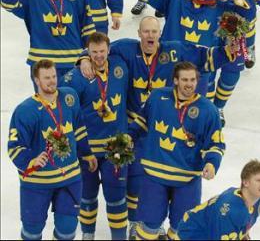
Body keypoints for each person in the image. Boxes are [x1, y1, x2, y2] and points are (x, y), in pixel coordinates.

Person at [77, 16, 236, 238]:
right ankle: (138, 223)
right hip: (137, 127)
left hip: (164, 125)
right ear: (139, 34)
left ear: (159, 34)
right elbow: (99, 51)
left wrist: (230, 48)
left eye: (154, 31)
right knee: (135, 180)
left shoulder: (175, 51)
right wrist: (84, 58)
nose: (150, 35)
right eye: (146, 32)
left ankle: (147, 224)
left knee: (149, 182)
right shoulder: (125, 48)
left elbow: (206, 57)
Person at [128, 61, 225, 240]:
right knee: (149, 226)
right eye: (185, 79)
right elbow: (141, 122)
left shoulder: (208, 110)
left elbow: (216, 144)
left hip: (187, 177)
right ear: (175, 80)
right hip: (154, 174)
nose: (189, 84)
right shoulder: (157, 97)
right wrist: (128, 137)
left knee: (182, 228)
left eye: (192, 80)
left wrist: (212, 164)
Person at [8, 59, 98, 241]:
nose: (52, 81)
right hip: (37, 182)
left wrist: (87, 153)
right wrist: (30, 161)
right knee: (32, 232)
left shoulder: (69, 98)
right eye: (46, 78)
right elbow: (14, 147)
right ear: (36, 80)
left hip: (69, 177)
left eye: (54, 76)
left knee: (67, 229)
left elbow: (79, 129)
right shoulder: (25, 110)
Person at [60, 33, 129, 241]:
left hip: (116, 147)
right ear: (88, 52)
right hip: (87, 149)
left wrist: (82, 56)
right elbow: (62, 105)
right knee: (87, 196)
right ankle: (88, 235)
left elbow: (133, 46)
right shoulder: (76, 76)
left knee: (117, 196)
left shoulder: (120, 65)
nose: (99, 56)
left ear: (109, 50)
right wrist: (81, 59)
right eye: (93, 52)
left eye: (102, 51)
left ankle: (119, 237)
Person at [1, 0, 96, 89]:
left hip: (73, 62)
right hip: (42, 63)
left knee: (72, 105)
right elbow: (7, 3)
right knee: (47, 107)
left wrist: (86, 57)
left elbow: (88, 28)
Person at [177, 159, 260, 240]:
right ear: (245, 182)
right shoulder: (230, 212)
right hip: (190, 235)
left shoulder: (259, 204)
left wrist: (244, 234)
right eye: (259, 180)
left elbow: (246, 223)